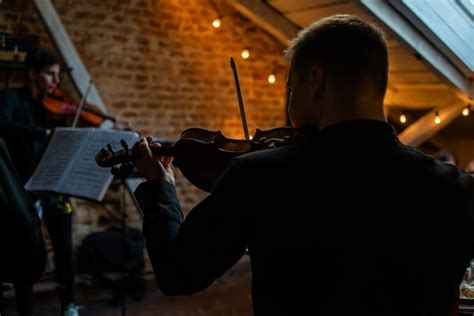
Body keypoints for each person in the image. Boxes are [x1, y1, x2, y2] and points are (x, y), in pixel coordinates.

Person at [133, 14, 474, 315]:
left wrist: (159, 188)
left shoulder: (258, 176)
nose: (290, 98)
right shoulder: (458, 188)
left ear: (316, 80)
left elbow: (178, 274)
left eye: (291, 87)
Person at [0, 50, 79, 316]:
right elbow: (2, 125)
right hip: (22, 188)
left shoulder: (52, 106)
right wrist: (41, 132)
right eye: (50, 74)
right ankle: (25, 311)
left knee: (64, 248)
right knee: (27, 251)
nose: (55, 81)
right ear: (33, 74)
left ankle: (68, 304)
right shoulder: (10, 99)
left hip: (52, 185)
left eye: (58, 75)